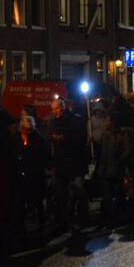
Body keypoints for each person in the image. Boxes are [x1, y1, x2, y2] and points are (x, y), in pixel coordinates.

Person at [45, 97, 89, 234]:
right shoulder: (53, 121)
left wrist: (64, 138)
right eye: (53, 110)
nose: (55, 112)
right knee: (60, 194)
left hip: (75, 162)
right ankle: (63, 221)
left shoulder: (76, 120)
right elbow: (48, 136)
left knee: (78, 192)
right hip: (61, 163)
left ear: (63, 108)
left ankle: (82, 219)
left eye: (57, 109)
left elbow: (80, 138)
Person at [12, 114, 49, 240]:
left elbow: (44, 155)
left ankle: (42, 223)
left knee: (38, 200)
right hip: (21, 173)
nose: (26, 132)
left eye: (28, 130)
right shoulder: (16, 137)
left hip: (35, 173)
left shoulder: (38, 138)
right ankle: (23, 228)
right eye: (24, 129)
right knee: (21, 200)